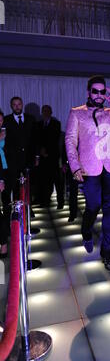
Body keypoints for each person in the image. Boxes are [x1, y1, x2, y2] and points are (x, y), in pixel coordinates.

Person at [65, 75, 110, 271]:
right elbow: (70, 140)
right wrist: (74, 166)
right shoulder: (77, 113)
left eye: (103, 92)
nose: (99, 95)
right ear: (89, 92)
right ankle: (86, 231)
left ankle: (108, 254)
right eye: (96, 91)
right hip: (89, 168)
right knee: (92, 206)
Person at [2, 97, 39, 242]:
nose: (17, 107)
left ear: (22, 105)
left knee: (30, 187)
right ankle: (19, 220)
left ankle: (28, 216)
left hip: (28, 160)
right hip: (13, 163)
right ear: (11, 106)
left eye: (19, 104)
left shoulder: (30, 119)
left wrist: (36, 155)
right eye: (14, 105)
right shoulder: (6, 120)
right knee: (17, 190)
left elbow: (35, 139)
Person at [37, 105, 64, 209]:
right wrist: (41, 151)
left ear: (51, 112)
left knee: (58, 182)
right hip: (42, 158)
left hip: (53, 157)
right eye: (44, 111)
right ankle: (45, 202)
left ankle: (60, 202)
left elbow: (54, 139)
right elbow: (37, 139)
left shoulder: (56, 124)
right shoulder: (38, 124)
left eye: (47, 111)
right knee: (44, 181)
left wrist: (46, 150)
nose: (45, 113)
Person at [0, 111, 9, 258]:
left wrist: (1, 179)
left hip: (3, 170)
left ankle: (3, 243)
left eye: (0, 120)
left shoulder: (5, 132)